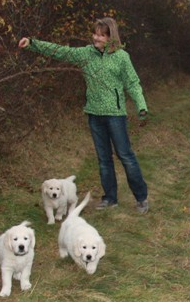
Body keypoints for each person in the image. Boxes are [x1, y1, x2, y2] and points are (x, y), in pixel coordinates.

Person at [18, 18, 150, 213]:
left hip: (115, 115)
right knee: (104, 159)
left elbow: (132, 83)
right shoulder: (86, 54)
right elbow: (60, 51)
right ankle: (110, 199)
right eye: (95, 33)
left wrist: (141, 106)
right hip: (94, 115)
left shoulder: (122, 57)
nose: (96, 37)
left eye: (101, 35)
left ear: (111, 37)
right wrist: (32, 43)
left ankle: (141, 198)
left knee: (125, 156)